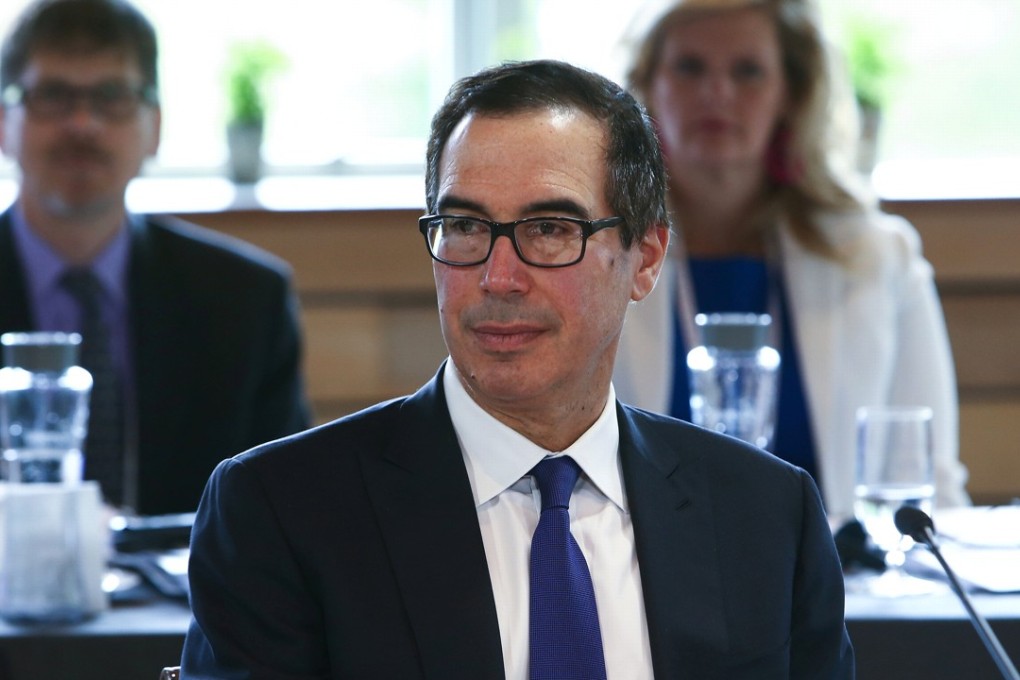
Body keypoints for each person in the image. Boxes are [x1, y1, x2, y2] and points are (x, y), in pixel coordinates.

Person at [181, 59, 853, 679]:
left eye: (551, 229)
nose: (498, 277)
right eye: (465, 226)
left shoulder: (764, 514)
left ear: (645, 258)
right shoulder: (282, 511)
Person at [614, 0, 969, 519]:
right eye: (690, 67)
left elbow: (931, 488)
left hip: (840, 588)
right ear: (647, 85)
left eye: (748, 71)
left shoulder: (875, 256)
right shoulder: (597, 252)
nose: (717, 92)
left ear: (790, 94)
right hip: (641, 589)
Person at [0, 0, 310, 515]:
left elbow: (288, 505)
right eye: (53, 96)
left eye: (112, 96)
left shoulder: (245, 300)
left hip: (193, 594)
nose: (82, 124)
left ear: (156, 127)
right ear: (5, 123)